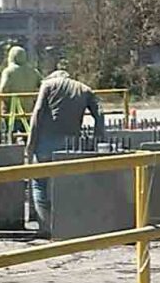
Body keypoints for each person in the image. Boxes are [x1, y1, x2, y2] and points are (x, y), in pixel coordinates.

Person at [26, 62, 107, 230]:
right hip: (72, 145)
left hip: (46, 145)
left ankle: (46, 227)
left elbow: (38, 113)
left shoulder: (47, 85)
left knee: (39, 184)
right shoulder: (84, 89)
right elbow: (99, 114)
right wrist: (98, 141)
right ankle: (70, 225)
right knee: (67, 184)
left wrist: (30, 145)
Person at [0, 42, 38, 137]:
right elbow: (42, 85)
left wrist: (6, 101)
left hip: (12, 111)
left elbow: (3, 89)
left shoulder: (8, 71)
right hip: (28, 111)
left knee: (9, 136)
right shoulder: (34, 71)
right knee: (28, 136)